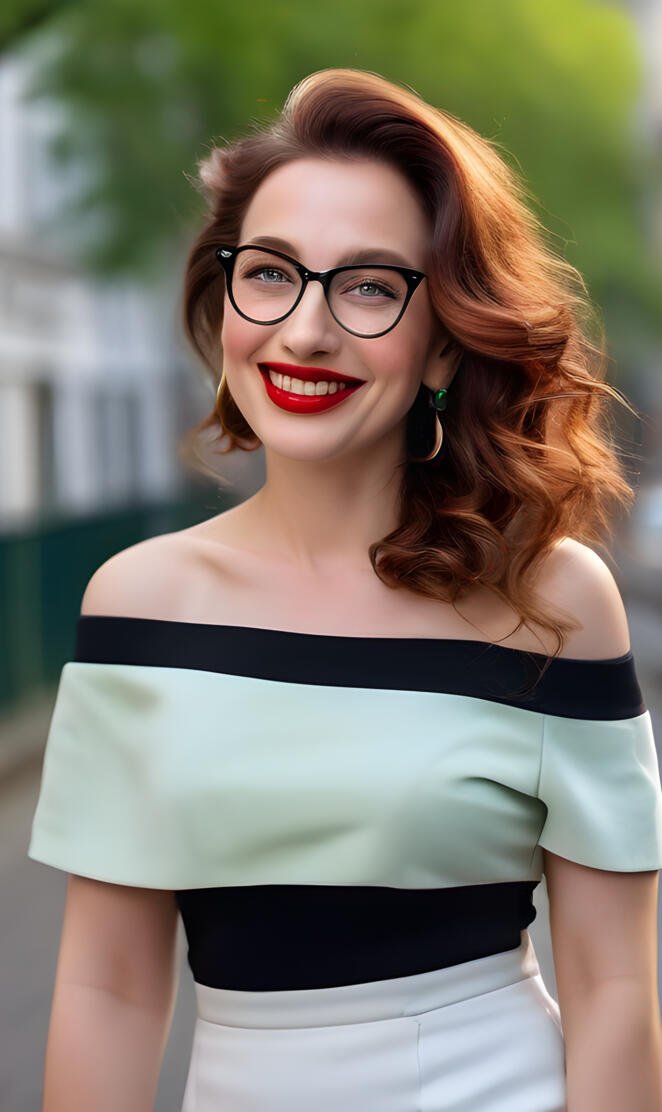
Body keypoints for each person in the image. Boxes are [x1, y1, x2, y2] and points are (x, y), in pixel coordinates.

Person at [28, 67, 662, 1112]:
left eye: (368, 287)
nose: (305, 331)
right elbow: (109, 987)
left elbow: (615, 986)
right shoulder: (138, 605)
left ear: (445, 340)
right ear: (225, 298)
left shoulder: (550, 601)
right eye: (270, 273)